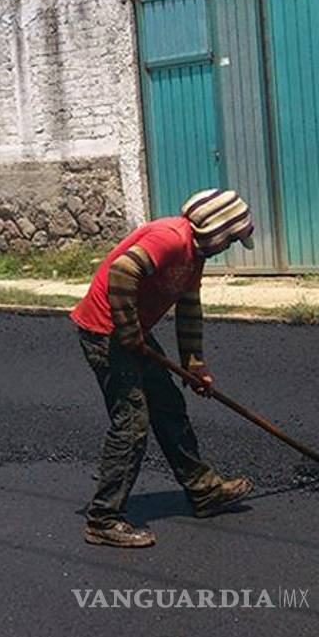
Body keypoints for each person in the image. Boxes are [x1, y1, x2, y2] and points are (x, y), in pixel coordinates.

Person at [71, 189, 256, 548]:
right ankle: (103, 518)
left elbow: (188, 308)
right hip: (105, 332)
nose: (230, 245)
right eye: (231, 238)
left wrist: (194, 365)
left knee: (169, 406)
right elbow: (122, 272)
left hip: (132, 331)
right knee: (132, 422)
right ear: (218, 229)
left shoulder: (194, 254)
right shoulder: (170, 238)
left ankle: (203, 490)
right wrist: (128, 332)